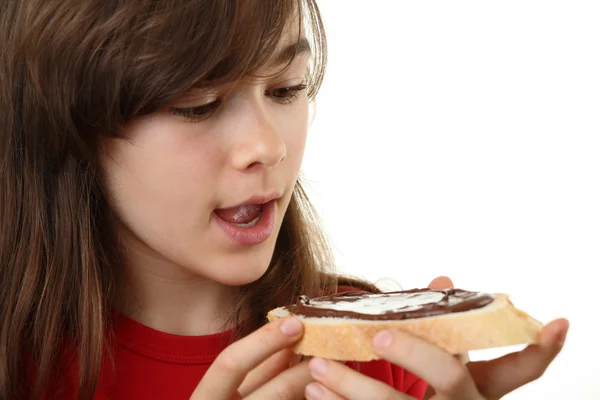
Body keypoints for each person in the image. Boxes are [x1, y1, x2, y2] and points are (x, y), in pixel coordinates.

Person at [0, 0, 568, 399]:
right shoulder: (18, 369)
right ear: (65, 122)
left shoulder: (378, 364)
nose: (268, 146)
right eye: (199, 103)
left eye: (287, 89)